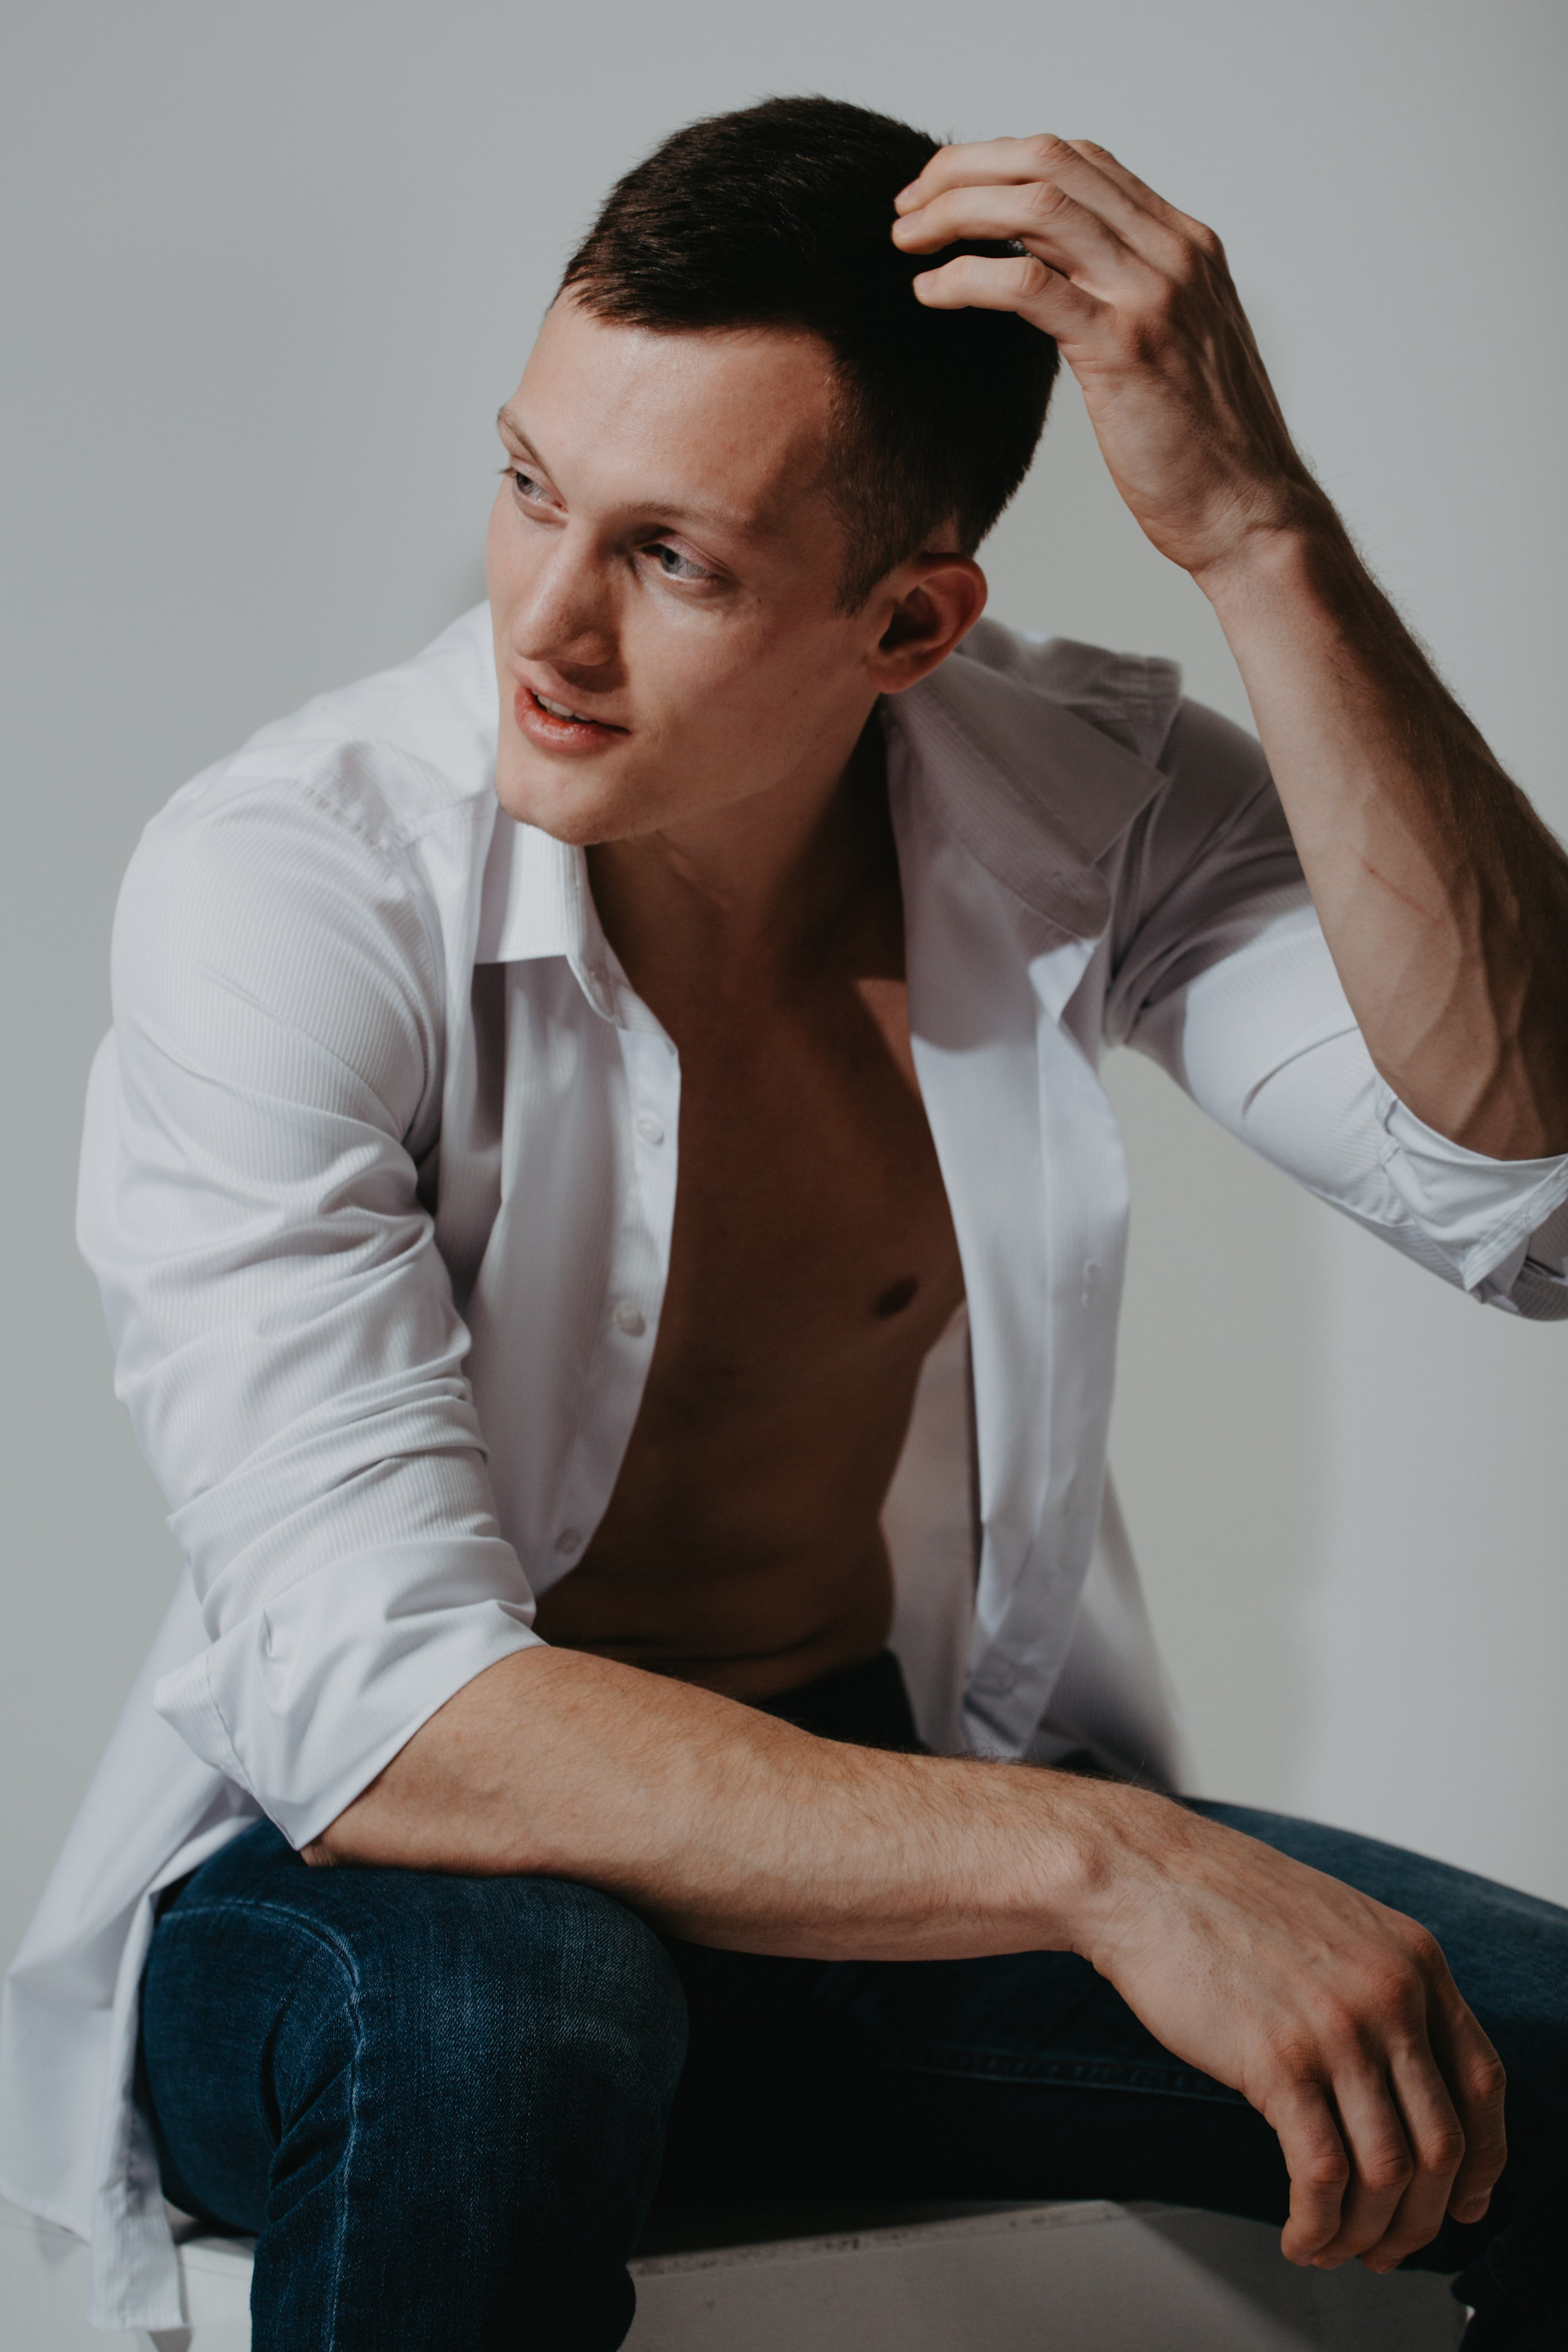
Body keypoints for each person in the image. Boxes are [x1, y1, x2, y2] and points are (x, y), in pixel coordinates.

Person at [2, 93, 1566, 2351]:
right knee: (506, 2026)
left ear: (910, 618)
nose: (540, 620)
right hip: (386, 1889)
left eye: (674, 559)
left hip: (870, 1839)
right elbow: (388, 1704)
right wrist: (1113, 1858)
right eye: (531, 486)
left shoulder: (1089, 805)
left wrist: (1258, 533)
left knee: (1535, 2052)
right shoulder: (294, 880)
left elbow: (1524, 1179)